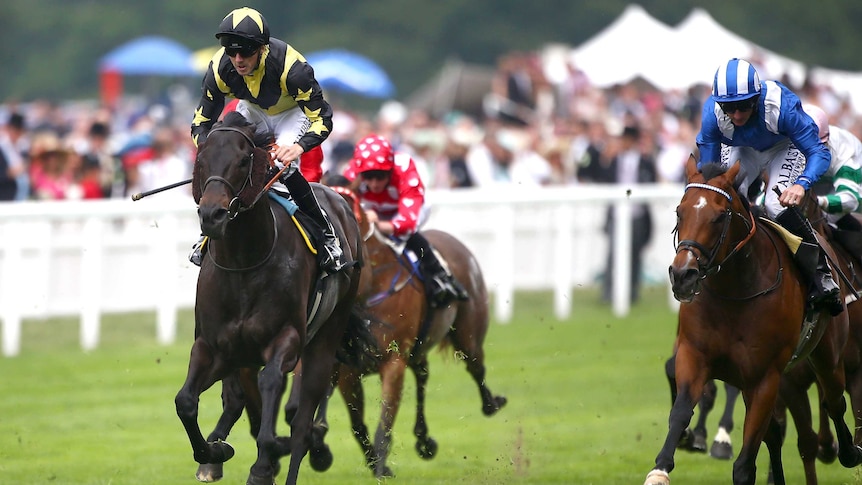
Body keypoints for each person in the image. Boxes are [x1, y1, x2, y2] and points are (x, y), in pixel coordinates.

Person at [188, 6, 344, 272]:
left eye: (245, 51)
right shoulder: (219, 68)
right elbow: (201, 124)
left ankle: (326, 235)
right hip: (252, 109)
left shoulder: (293, 70)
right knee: (228, 158)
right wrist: (211, 151)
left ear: (262, 48)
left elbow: (323, 119)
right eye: (231, 51)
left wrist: (298, 147)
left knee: (286, 165)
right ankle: (208, 236)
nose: (238, 59)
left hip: (293, 113)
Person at [696, 58, 842, 316]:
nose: (737, 115)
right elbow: (709, 173)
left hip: (783, 148)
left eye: (743, 106)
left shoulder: (781, 106)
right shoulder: (713, 115)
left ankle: (821, 273)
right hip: (743, 148)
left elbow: (818, 152)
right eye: (730, 108)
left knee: (775, 205)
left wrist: (801, 184)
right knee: (726, 200)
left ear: (757, 98)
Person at [343, 134, 468, 307]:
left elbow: (407, 223)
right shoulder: (351, 173)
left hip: (408, 209)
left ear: (390, 170)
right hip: (374, 209)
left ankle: (440, 276)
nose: (373, 183)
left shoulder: (404, 168)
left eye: (380, 176)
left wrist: (378, 224)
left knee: (408, 236)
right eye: (368, 176)